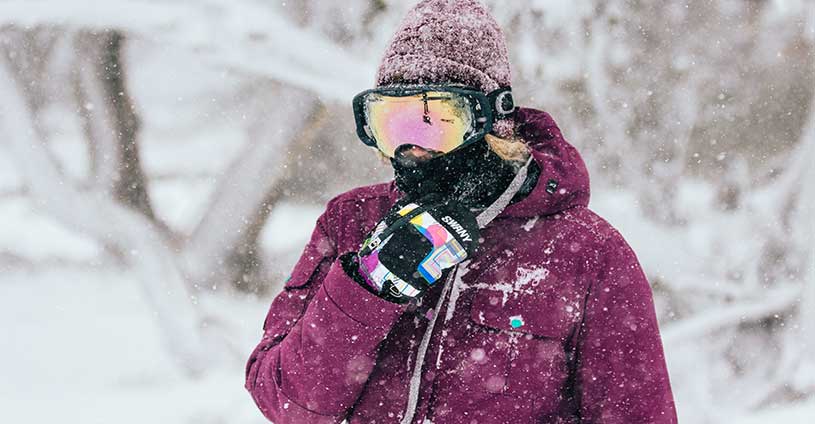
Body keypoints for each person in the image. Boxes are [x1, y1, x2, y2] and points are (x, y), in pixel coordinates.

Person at [244, 0, 678, 422]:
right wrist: (367, 287)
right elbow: (282, 402)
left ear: (493, 119)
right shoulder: (351, 220)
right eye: (393, 123)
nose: (412, 148)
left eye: (436, 121)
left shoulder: (587, 253)